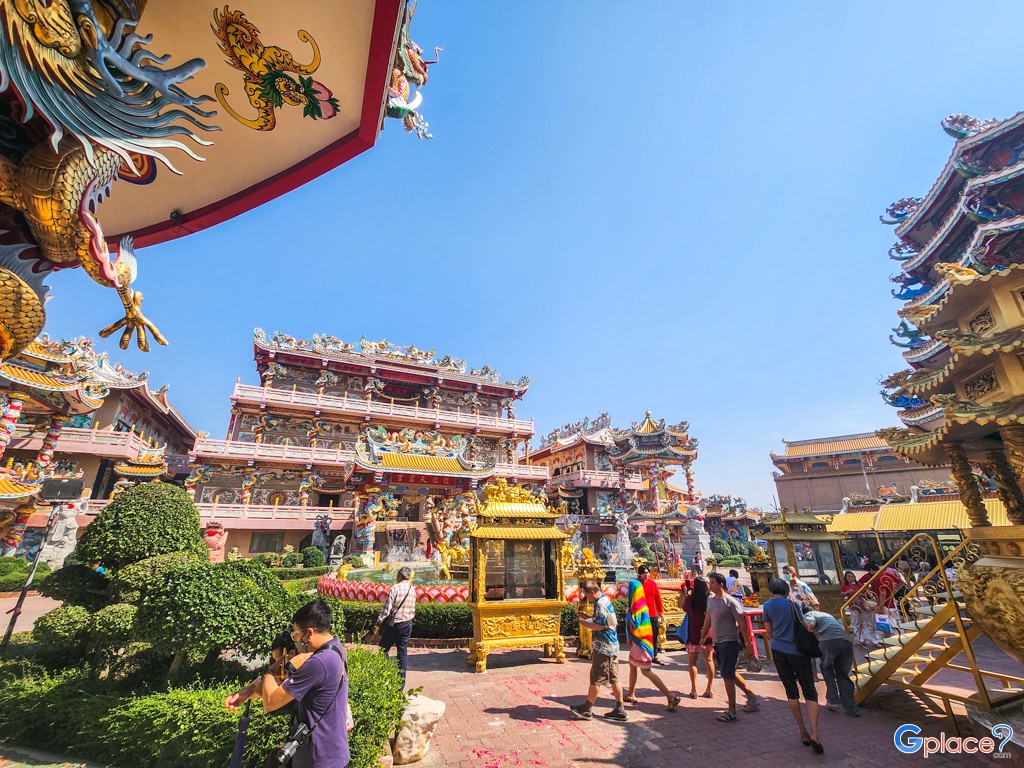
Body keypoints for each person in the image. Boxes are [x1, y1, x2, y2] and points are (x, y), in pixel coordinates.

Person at [226, 599, 349, 768]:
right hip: (332, 754)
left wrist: (270, 670)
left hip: (318, 760)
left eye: (297, 635)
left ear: (310, 633)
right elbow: (284, 691)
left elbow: (271, 703)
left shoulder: (318, 663)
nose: (297, 640)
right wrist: (249, 691)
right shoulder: (336, 648)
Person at [762, 579, 822, 754]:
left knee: (791, 691)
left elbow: (768, 630)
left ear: (771, 589)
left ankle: (802, 731)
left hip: (779, 651)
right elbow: (803, 625)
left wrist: (776, 641)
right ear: (786, 590)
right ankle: (815, 733)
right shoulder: (792, 605)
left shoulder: (767, 606)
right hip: (797, 651)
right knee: (809, 690)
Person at [702, 572, 761, 722]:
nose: (710, 585)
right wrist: (703, 635)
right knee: (729, 673)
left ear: (721, 585)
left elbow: (742, 624)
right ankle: (752, 697)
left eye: (713, 582)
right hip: (718, 641)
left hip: (730, 642)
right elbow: (708, 618)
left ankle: (732, 710)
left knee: (727, 676)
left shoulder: (730, 602)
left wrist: (748, 645)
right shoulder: (710, 600)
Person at [572, 579, 627, 721]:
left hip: (603, 647)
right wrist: (588, 617)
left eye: (586, 595)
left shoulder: (599, 604)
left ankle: (587, 708)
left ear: (592, 592)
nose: (586, 598)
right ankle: (620, 709)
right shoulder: (606, 600)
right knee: (614, 677)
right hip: (612, 646)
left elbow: (600, 625)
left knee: (596, 677)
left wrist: (584, 623)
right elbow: (605, 621)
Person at [622, 579, 681, 711]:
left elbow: (635, 624)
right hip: (640, 641)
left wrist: (628, 616)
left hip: (640, 642)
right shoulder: (640, 603)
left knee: (646, 670)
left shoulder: (637, 606)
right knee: (632, 665)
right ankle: (631, 693)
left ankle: (670, 695)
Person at [803, 607, 860, 718]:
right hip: (846, 642)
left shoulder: (809, 614)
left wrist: (807, 631)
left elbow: (811, 626)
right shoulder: (827, 615)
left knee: (827, 670)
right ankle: (852, 709)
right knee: (843, 675)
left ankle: (834, 701)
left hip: (829, 642)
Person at [376, 566, 416, 683]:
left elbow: (387, 609)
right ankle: (400, 683)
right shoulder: (412, 589)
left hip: (395, 625)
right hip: (408, 624)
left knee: (383, 649)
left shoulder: (395, 588)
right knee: (402, 653)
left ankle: (384, 675)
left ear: (399, 576)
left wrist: (379, 620)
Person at [683, 577, 715, 699]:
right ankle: (709, 689)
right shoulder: (710, 600)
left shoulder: (690, 600)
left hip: (694, 634)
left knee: (692, 661)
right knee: (709, 660)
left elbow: (684, 608)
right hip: (708, 634)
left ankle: (694, 689)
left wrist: (687, 595)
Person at [841, 569, 880, 648]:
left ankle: (875, 640)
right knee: (857, 623)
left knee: (870, 623)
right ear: (846, 578)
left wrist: (863, 594)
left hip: (864, 605)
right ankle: (860, 640)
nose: (851, 578)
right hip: (854, 606)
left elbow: (866, 592)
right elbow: (842, 593)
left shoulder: (859, 585)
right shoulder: (845, 586)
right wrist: (848, 592)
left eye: (852, 577)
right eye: (849, 577)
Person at [637, 565, 666, 664]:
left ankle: (654, 655)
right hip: (641, 615)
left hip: (652, 614)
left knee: (654, 635)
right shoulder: (636, 584)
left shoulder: (652, 584)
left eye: (647, 572)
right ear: (639, 574)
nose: (647, 574)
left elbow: (658, 599)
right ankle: (643, 655)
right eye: (644, 573)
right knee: (642, 636)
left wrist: (661, 612)